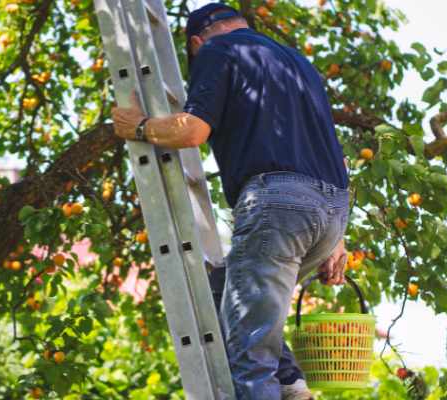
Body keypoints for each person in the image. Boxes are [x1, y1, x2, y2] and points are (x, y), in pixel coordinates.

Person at [111, 3, 350, 399]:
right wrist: (337, 238)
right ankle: (290, 384)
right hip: (332, 209)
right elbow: (336, 155)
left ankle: (276, 385)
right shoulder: (298, 63)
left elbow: (192, 131)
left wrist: (139, 126)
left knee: (248, 354)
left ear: (196, 43)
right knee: (224, 291)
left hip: (279, 207)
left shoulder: (217, 51)